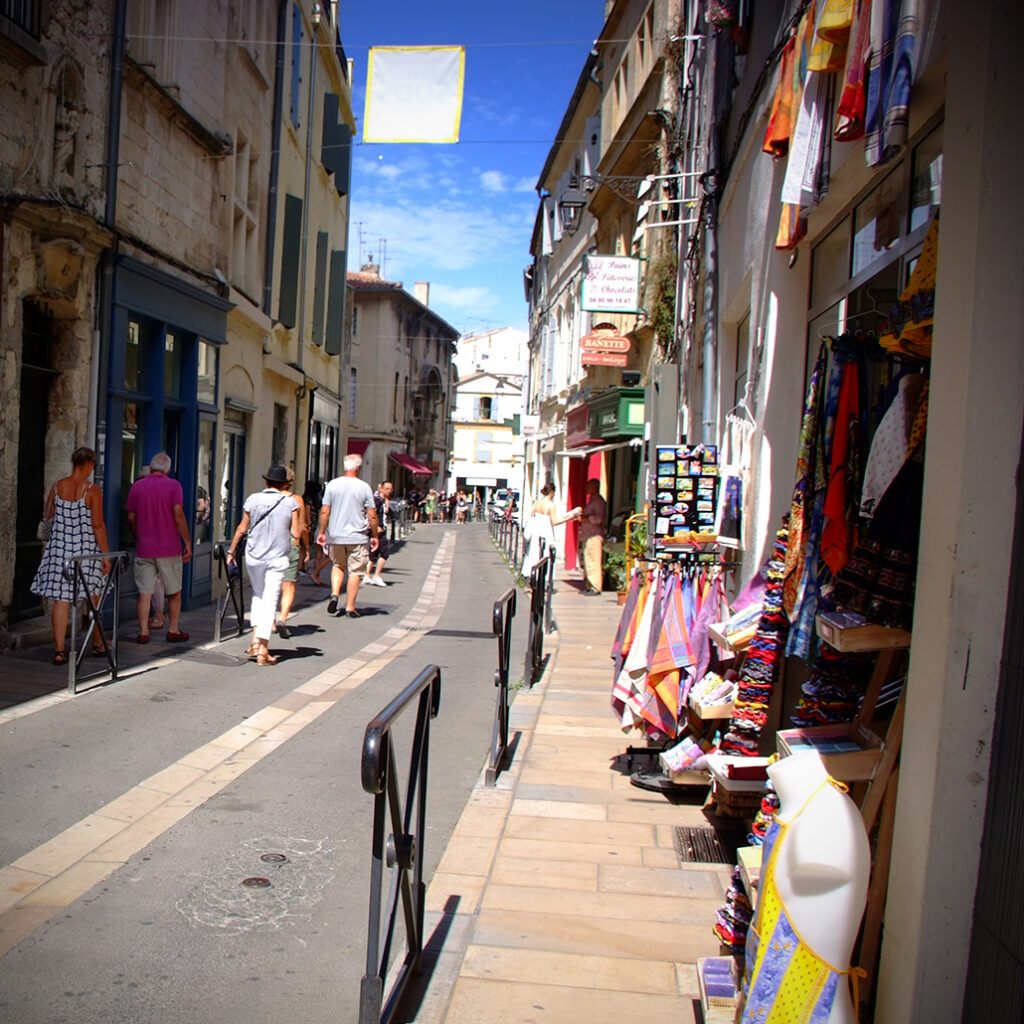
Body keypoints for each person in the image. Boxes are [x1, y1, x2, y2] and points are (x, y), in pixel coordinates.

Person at [31, 446, 111, 665]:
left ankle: (59, 651)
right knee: (94, 597)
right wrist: (105, 555)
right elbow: (98, 525)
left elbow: (48, 516)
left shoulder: (57, 487)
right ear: (89, 464)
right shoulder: (92, 490)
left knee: (61, 601)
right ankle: (97, 643)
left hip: (59, 551)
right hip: (85, 550)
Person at [225, 465, 300, 665]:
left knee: (258, 596)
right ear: (284, 484)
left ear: (266, 482)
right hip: (276, 558)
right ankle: (263, 649)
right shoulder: (290, 503)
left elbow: (242, 527)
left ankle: (254, 642)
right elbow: (297, 533)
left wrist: (231, 551)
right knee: (270, 600)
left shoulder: (253, 499)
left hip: (254, 556)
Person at [125, 452, 193, 643]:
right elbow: (178, 513)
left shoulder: (137, 486)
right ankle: (173, 629)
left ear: (151, 467)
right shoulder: (173, 485)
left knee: (144, 592)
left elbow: (131, 517)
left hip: (145, 548)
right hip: (169, 548)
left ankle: (143, 631)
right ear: (168, 469)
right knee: (174, 591)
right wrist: (187, 541)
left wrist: (137, 536)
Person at [316, 453, 380, 618]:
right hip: (357, 536)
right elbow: (372, 515)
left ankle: (335, 594)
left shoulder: (332, 485)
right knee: (355, 571)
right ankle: (350, 607)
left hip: (336, 535)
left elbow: (324, 510)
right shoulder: (364, 487)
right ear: (358, 468)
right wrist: (375, 535)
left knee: (337, 566)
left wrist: (322, 532)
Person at [274, 467, 309, 638]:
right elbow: (302, 527)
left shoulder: (268, 498)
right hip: (291, 543)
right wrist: (306, 548)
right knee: (288, 585)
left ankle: (271, 620)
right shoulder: (297, 500)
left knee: (271, 585)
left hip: (272, 545)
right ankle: (282, 618)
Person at [521, 482, 581, 579]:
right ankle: (543, 580)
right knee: (546, 554)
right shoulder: (551, 505)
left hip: (536, 531)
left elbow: (531, 516)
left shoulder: (536, 503)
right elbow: (555, 521)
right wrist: (570, 518)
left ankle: (531, 576)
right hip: (546, 531)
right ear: (552, 492)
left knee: (534, 552)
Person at [578, 478, 607, 595]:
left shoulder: (598, 501)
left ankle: (596, 587)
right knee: (588, 560)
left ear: (595, 487)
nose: (586, 488)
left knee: (593, 560)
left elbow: (599, 518)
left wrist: (585, 519)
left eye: (588, 486)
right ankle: (589, 585)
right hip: (587, 534)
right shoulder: (592, 500)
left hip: (593, 535)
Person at [366, 481, 394, 587]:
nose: (389, 491)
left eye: (391, 489)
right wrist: (375, 526)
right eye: (387, 488)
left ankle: (367, 575)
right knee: (384, 553)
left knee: (373, 554)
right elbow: (371, 514)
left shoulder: (384, 501)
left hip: (381, 529)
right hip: (378, 530)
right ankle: (376, 575)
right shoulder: (377, 501)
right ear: (381, 489)